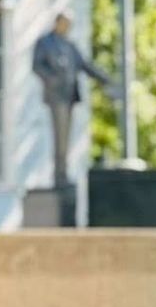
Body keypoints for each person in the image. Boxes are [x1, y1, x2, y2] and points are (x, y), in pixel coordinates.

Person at [30, 13, 112, 191]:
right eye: (65, 23)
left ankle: (63, 174)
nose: (67, 27)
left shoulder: (69, 45)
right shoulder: (45, 43)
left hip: (70, 96)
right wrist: (52, 79)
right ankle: (59, 175)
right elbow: (37, 66)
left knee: (66, 138)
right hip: (56, 96)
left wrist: (105, 78)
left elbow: (85, 65)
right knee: (60, 137)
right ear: (58, 22)